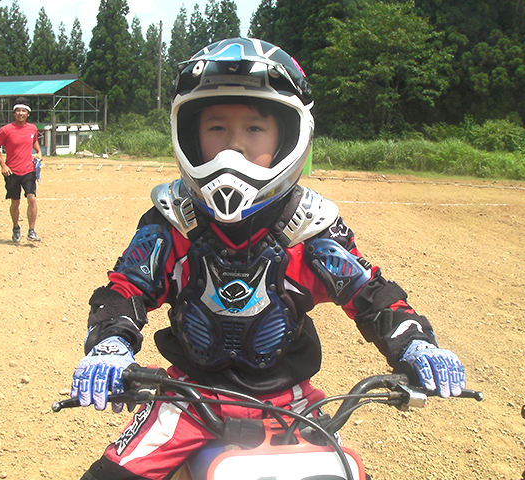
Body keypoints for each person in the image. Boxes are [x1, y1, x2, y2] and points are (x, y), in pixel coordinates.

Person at [71, 38, 466, 480]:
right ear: (189, 135)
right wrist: (110, 345)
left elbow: (369, 294)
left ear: (288, 136)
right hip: (187, 400)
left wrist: (415, 342)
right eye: (216, 128)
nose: (233, 147)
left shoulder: (309, 226)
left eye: (255, 129)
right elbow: (127, 288)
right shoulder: (174, 221)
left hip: (291, 403)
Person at [0, 97, 43, 242]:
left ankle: (31, 231)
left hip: (28, 170)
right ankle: (16, 228)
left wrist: (39, 153)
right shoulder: (6, 130)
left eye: (24, 111)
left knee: (32, 199)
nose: (21, 113)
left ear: (28, 113)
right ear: (14, 113)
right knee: (15, 202)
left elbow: (34, 142)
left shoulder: (32, 129)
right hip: (12, 172)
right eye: (18, 111)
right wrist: (3, 165)